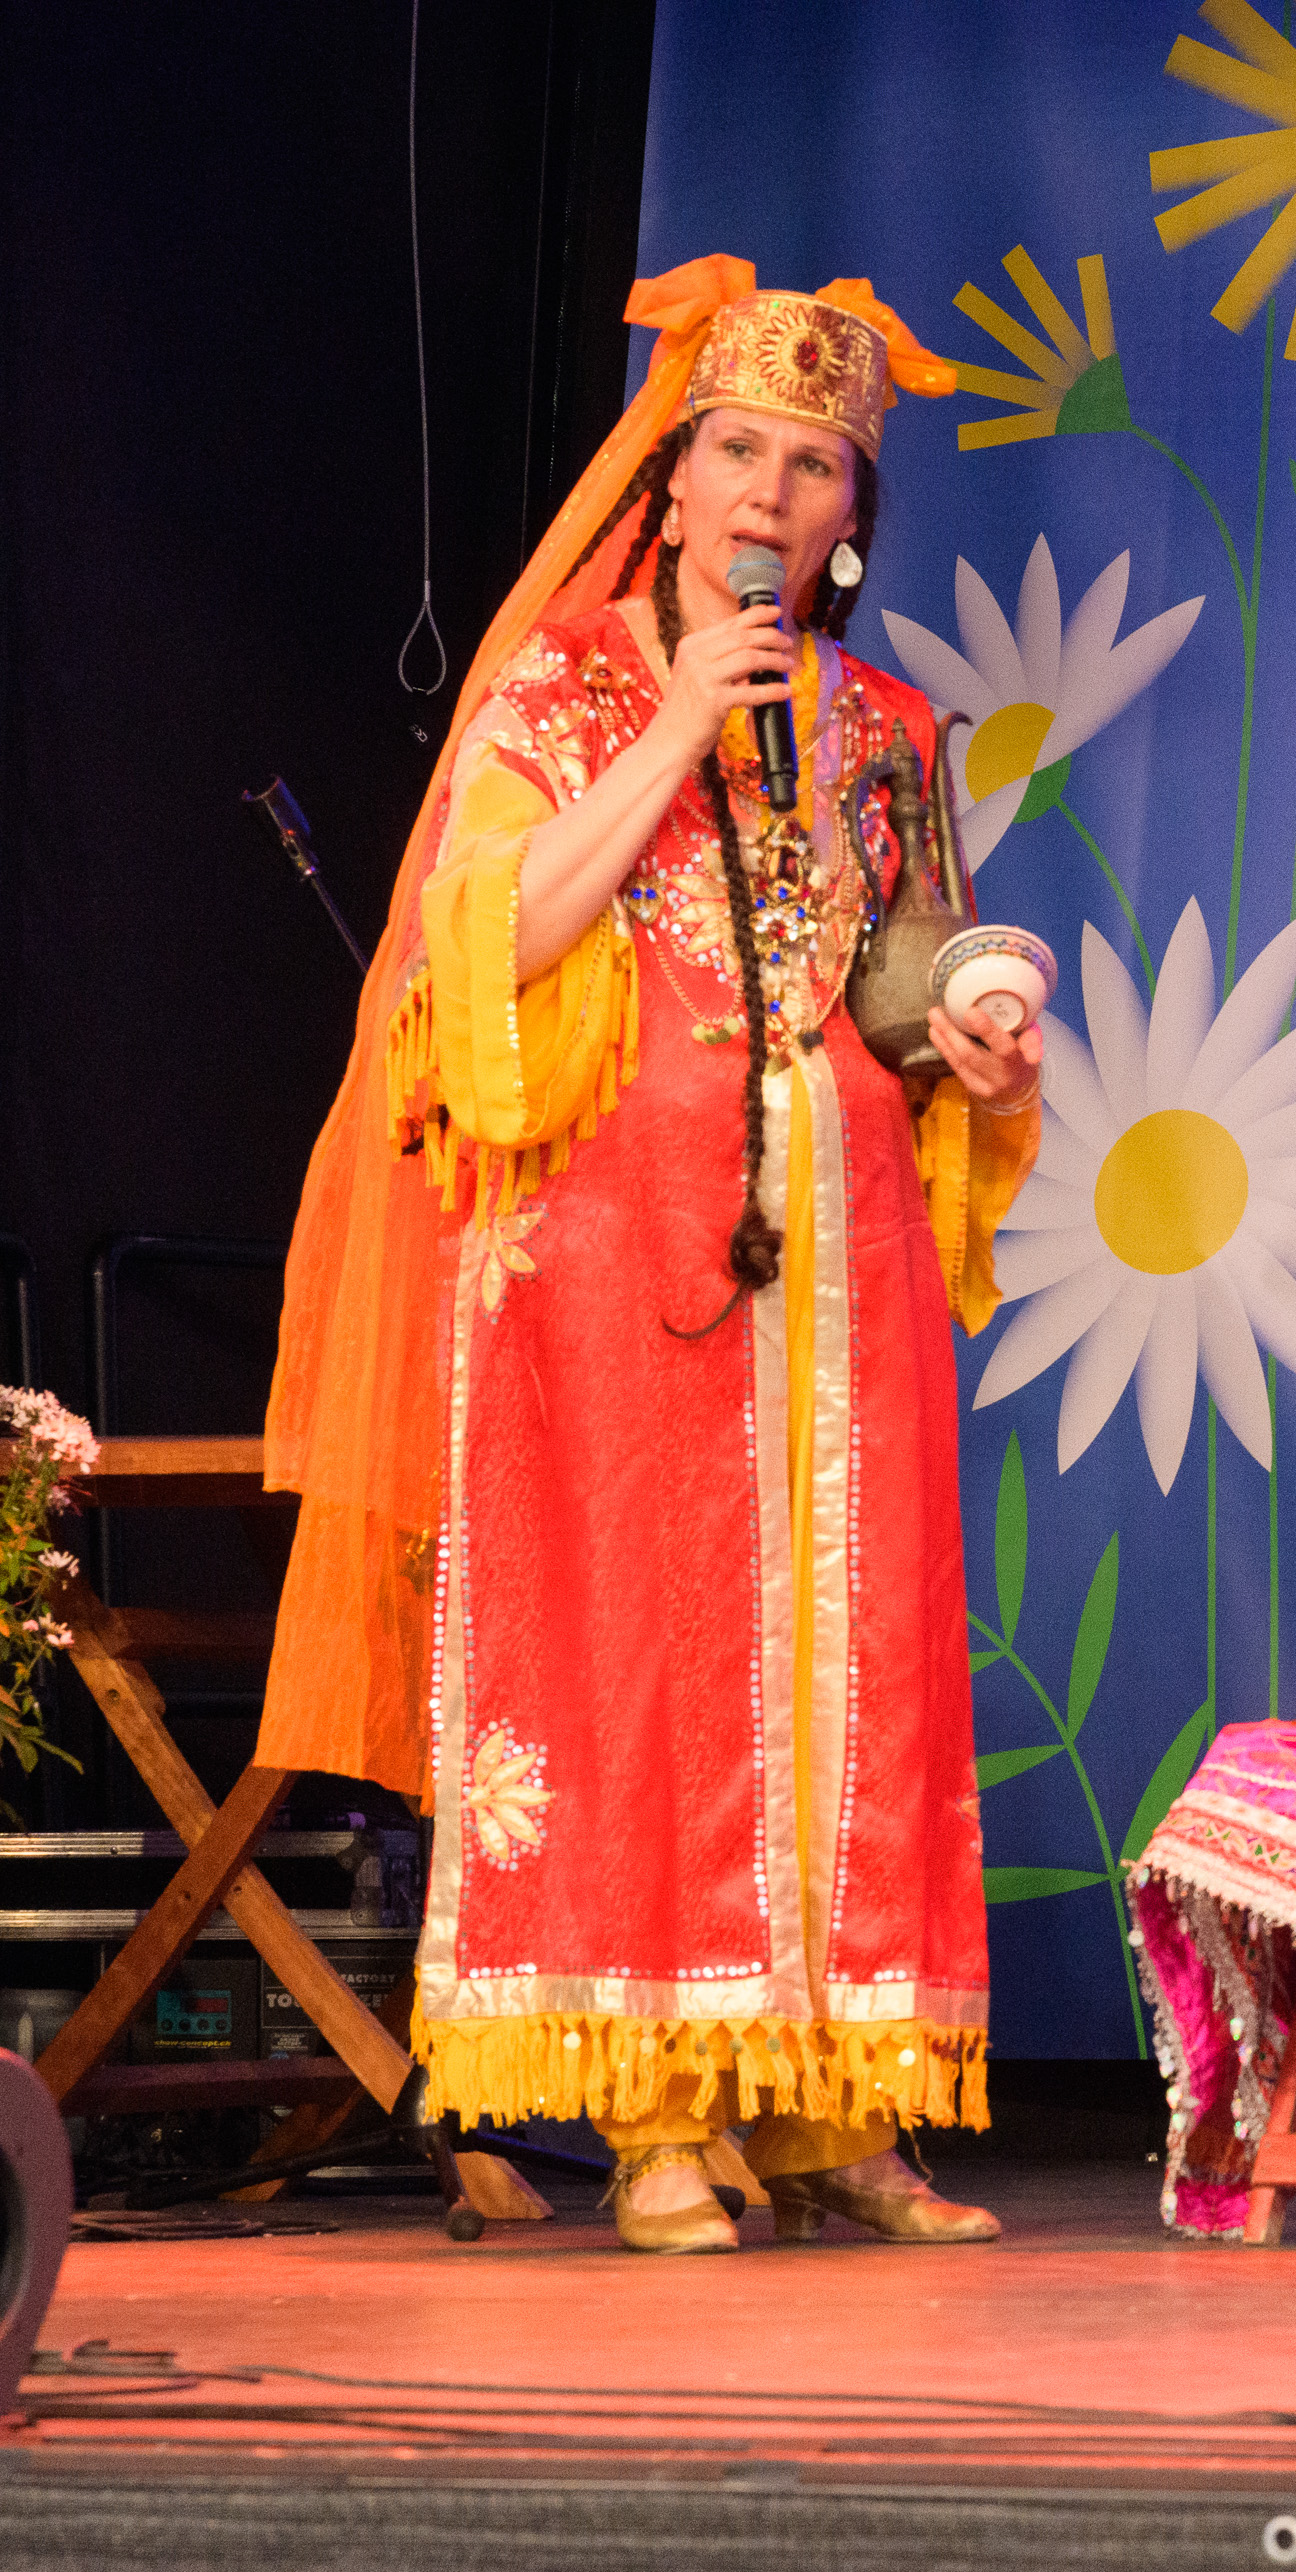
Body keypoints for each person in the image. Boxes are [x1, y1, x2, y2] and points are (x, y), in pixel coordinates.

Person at [261, 261, 1040, 2251]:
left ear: (853, 509)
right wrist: (680, 714)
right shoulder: (570, 682)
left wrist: (970, 1002)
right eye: (742, 452)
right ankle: (657, 2109)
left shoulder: (880, 718)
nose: (776, 495)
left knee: (845, 1662)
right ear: (673, 482)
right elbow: (490, 939)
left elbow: (891, 951)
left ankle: (838, 2102)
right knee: (642, 1655)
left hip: (837, 1258)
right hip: (610, 1241)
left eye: (816, 464)